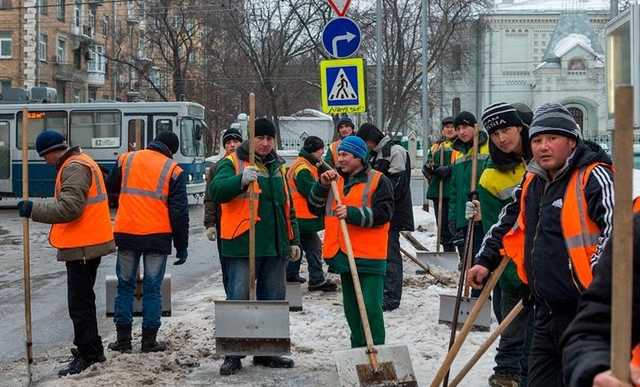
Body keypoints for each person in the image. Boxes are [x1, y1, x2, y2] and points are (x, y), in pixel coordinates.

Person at [468, 103, 615, 387]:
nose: (543, 147)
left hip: (586, 312)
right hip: (544, 310)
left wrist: (600, 276)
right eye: (537, 140)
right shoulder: (533, 180)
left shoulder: (593, 175)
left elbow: (617, 230)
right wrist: (484, 260)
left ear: (572, 142)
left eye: (552, 138)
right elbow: (508, 220)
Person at [18, 130, 115, 376]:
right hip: (86, 243)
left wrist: (33, 210)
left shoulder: (73, 167)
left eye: (45, 157)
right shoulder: (80, 162)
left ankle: (90, 355)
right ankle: (89, 349)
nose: (46, 162)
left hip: (84, 245)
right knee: (82, 302)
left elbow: (69, 208)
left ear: (52, 151)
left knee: (80, 304)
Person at [210, 118, 300, 375]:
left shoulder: (279, 167)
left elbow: (287, 206)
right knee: (237, 297)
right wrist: (239, 180)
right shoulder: (233, 162)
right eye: (260, 138)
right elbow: (216, 190)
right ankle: (233, 354)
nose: (265, 143)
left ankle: (268, 351)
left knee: (273, 300)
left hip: (274, 246)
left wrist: (292, 240)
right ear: (251, 139)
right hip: (241, 243)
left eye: (269, 139)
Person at [307, 135, 394, 348]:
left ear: (359, 157)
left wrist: (352, 213)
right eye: (339, 155)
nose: (340, 159)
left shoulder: (378, 180)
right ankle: (358, 350)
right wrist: (320, 185)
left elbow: (385, 213)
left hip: (371, 256)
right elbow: (314, 208)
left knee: (371, 307)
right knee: (352, 309)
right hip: (344, 254)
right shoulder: (335, 181)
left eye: (345, 155)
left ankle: (377, 350)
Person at [107, 131, 189, 354]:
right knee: (153, 289)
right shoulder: (174, 170)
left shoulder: (126, 159)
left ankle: (123, 341)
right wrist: (182, 246)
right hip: (157, 237)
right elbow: (179, 213)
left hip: (126, 233)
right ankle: (149, 341)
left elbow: (110, 188)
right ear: (171, 150)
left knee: (125, 286)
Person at [472, 102, 533, 387]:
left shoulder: (543, 158)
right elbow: (496, 226)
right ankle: (507, 375)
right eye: (494, 133)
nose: (501, 138)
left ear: (520, 127)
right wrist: (507, 275)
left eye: (506, 129)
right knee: (512, 327)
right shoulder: (491, 175)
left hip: (549, 263)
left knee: (541, 335)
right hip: (512, 264)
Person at [357, 123, 414, 311]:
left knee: (390, 254)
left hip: (392, 212)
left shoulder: (395, 151)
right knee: (381, 252)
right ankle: (383, 291)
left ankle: (391, 296)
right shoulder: (376, 154)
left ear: (370, 139)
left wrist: (382, 202)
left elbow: (397, 185)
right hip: (380, 212)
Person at [285, 136, 337, 291]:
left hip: (299, 216)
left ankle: (292, 275)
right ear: (316, 150)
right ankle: (315, 279)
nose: (323, 153)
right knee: (312, 247)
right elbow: (311, 191)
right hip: (303, 216)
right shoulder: (303, 169)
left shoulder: (303, 164)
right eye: (321, 150)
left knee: (299, 247)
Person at [448, 111, 491, 271]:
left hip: (483, 217)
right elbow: (454, 190)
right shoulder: (458, 154)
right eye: (458, 128)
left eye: (465, 127)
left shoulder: (488, 149)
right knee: (470, 262)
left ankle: (480, 294)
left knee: (482, 260)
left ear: (475, 126)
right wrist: (453, 217)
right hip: (464, 216)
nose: (461, 132)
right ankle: (476, 293)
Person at [204, 128, 242, 296]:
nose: (232, 145)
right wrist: (210, 224)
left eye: (235, 141)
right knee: (227, 262)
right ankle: (231, 295)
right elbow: (210, 198)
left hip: (245, 221)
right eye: (228, 142)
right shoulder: (216, 168)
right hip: (223, 222)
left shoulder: (248, 164)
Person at [422, 116, 458, 252]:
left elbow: (463, 166)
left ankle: (458, 254)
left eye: (452, 127)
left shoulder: (459, 146)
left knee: (453, 225)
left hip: (453, 192)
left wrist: (449, 170)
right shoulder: (436, 146)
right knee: (442, 227)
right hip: (439, 192)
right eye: (446, 127)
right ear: (442, 130)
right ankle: (447, 251)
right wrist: (428, 169)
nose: (449, 129)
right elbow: (429, 163)